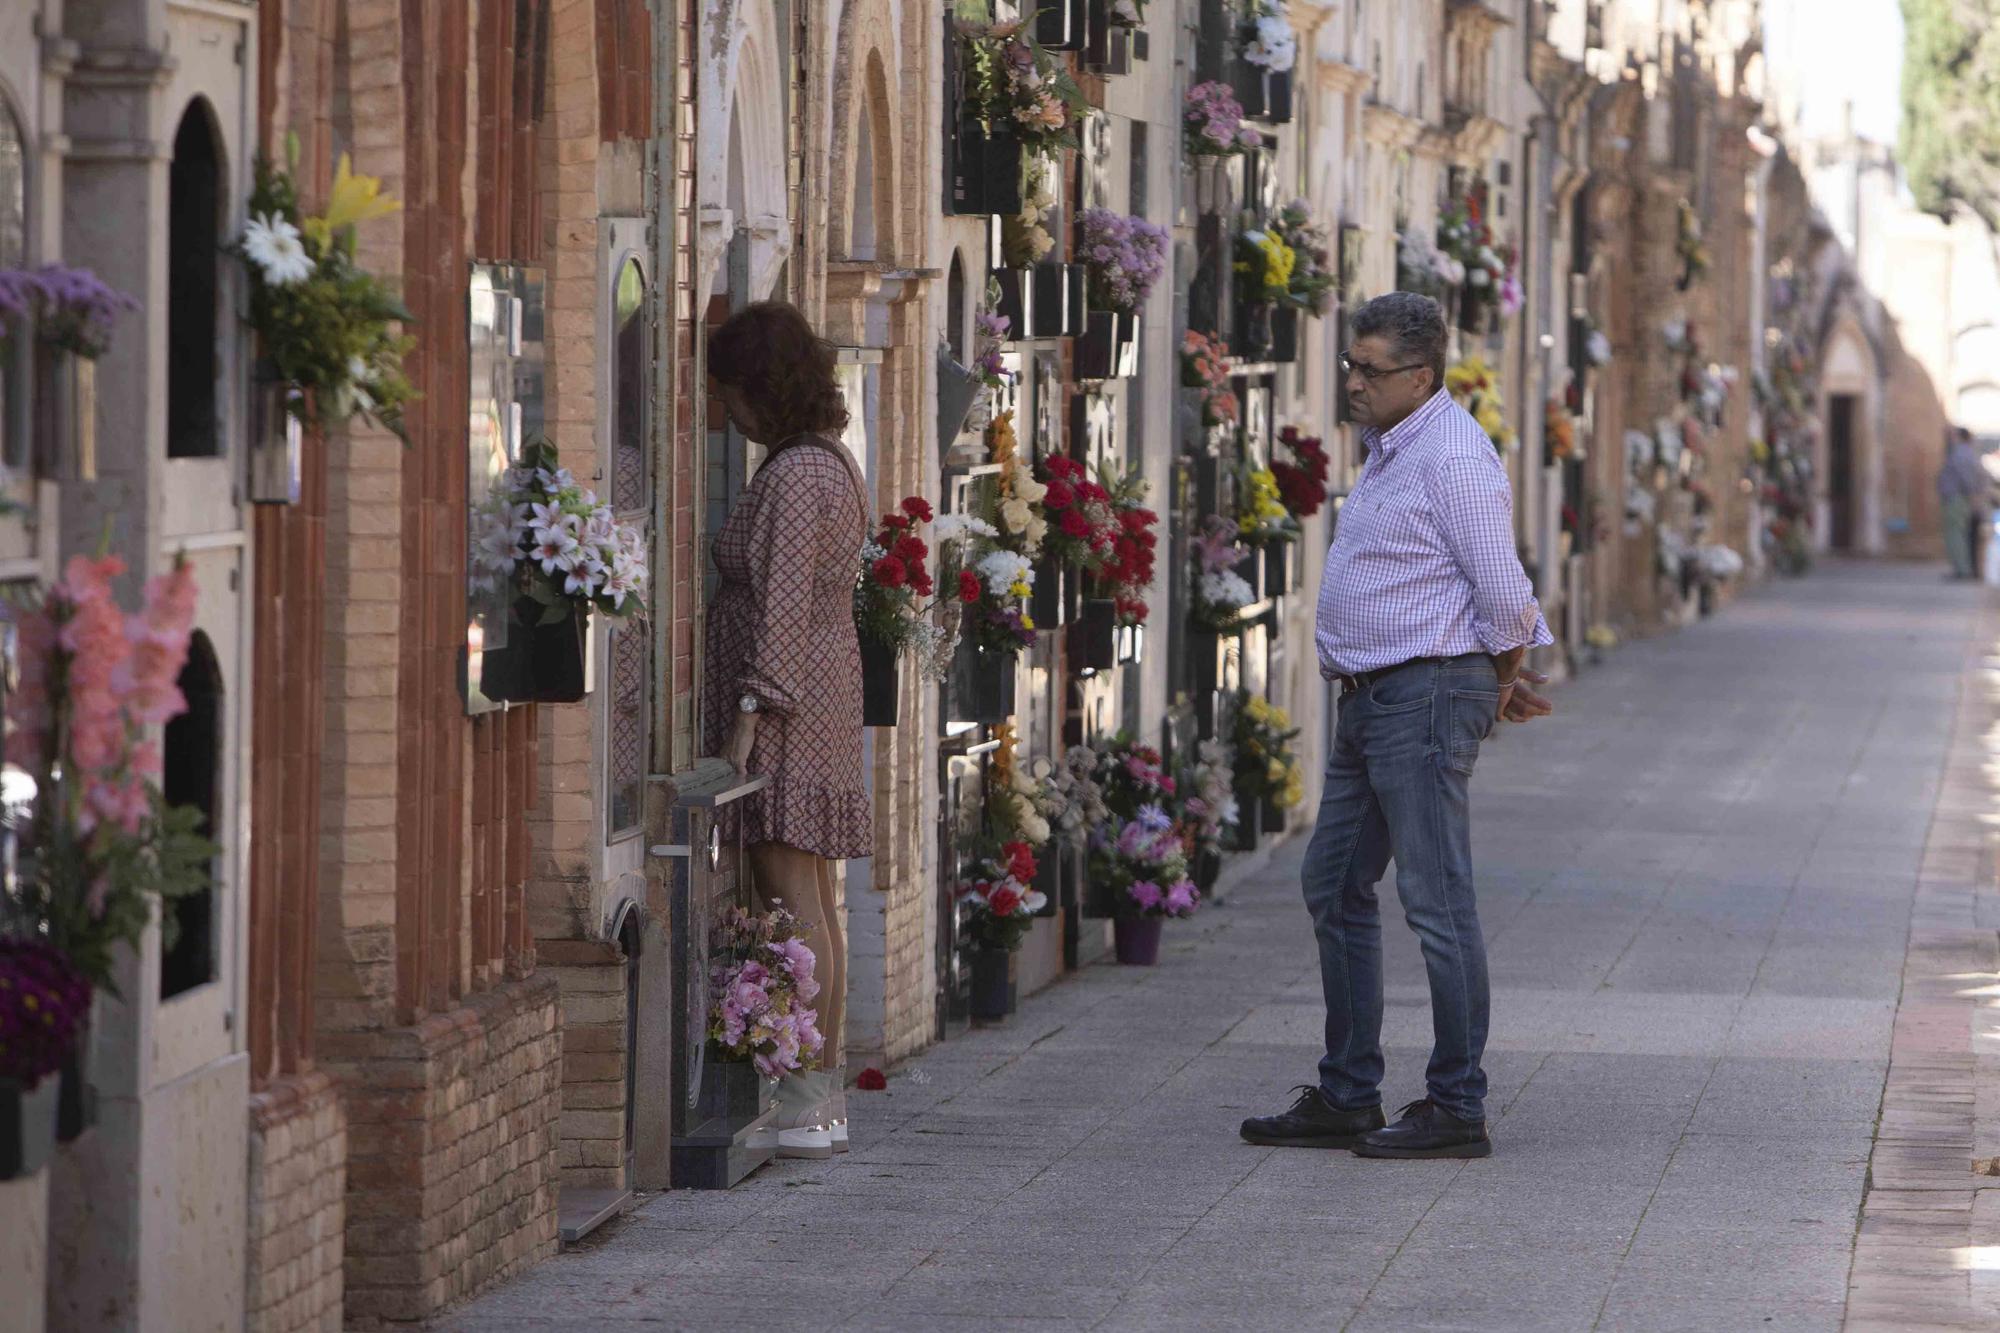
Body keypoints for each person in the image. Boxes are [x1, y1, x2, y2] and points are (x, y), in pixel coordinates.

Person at [1241, 292, 1554, 1161]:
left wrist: (1497, 675)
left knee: (1436, 900)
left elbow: (1501, 590)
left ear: (1419, 377)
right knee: (1333, 882)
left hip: (1418, 699)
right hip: (1375, 697)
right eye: (1350, 363)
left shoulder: (1450, 456)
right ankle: (1348, 1092)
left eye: (1368, 370)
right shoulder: (1393, 447)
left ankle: (1457, 1104)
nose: (1352, 382)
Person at [706, 301, 873, 1159]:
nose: (721, 410)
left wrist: (748, 717)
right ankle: (822, 1096)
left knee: (791, 892)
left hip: (790, 710)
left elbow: (778, 605)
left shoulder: (799, 476)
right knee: (816, 896)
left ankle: (807, 1099)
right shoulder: (822, 463)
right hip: (817, 697)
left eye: (729, 391)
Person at [1939, 426, 1990, 580]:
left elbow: (1967, 477)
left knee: (1956, 534)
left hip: (1957, 498)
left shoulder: (1961, 453)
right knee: (1957, 533)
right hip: (1959, 497)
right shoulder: (1967, 453)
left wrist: (1972, 495)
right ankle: (1962, 568)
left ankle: (1962, 570)